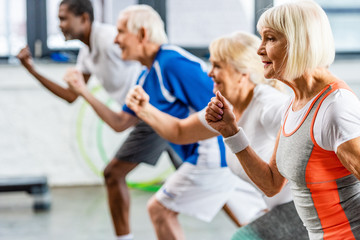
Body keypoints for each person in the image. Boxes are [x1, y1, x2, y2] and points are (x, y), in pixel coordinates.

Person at [64, 5, 262, 240]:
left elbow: (228, 107)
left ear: (143, 35)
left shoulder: (172, 63)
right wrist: (83, 91)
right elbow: (119, 123)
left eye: (121, 32)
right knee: (254, 221)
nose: (116, 40)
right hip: (206, 157)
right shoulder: (146, 76)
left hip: (214, 156)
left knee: (160, 210)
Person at [17, 1, 181, 239]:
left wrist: (151, 100)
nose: (60, 25)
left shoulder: (109, 39)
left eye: (64, 18)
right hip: (144, 114)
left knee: (113, 174)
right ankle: (249, 217)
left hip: (155, 112)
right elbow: (71, 95)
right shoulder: (87, 53)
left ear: (84, 18)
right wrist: (31, 69)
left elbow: (148, 56)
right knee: (199, 172)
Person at [126, 31, 308, 240]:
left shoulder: (269, 105)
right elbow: (179, 132)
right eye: (211, 64)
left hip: (303, 209)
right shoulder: (225, 107)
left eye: (218, 66)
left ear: (243, 74)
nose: (210, 73)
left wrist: (232, 134)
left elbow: (274, 184)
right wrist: (144, 109)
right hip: (280, 208)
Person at [206, 1, 360, 239]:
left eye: (270, 39)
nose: (259, 50)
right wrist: (230, 132)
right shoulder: (294, 102)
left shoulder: (335, 107)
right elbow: (270, 184)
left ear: (300, 42)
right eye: (262, 38)